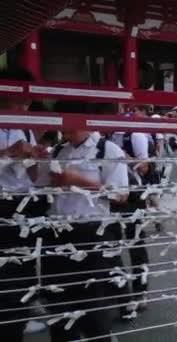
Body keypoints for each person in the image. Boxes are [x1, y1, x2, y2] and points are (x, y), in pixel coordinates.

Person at [44, 117, 129, 341]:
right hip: (58, 232)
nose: (63, 129)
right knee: (58, 297)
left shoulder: (108, 149)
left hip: (92, 232)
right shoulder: (58, 150)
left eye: (68, 123)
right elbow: (42, 183)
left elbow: (121, 195)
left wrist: (79, 181)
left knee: (92, 298)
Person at [0, 68, 51, 341]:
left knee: (23, 263)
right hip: (2, 203)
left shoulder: (22, 126)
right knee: (6, 266)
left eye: (28, 101)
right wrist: (9, 152)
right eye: (20, 98)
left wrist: (37, 156)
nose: (25, 105)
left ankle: (19, 314)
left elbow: (32, 174)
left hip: (22, 204)